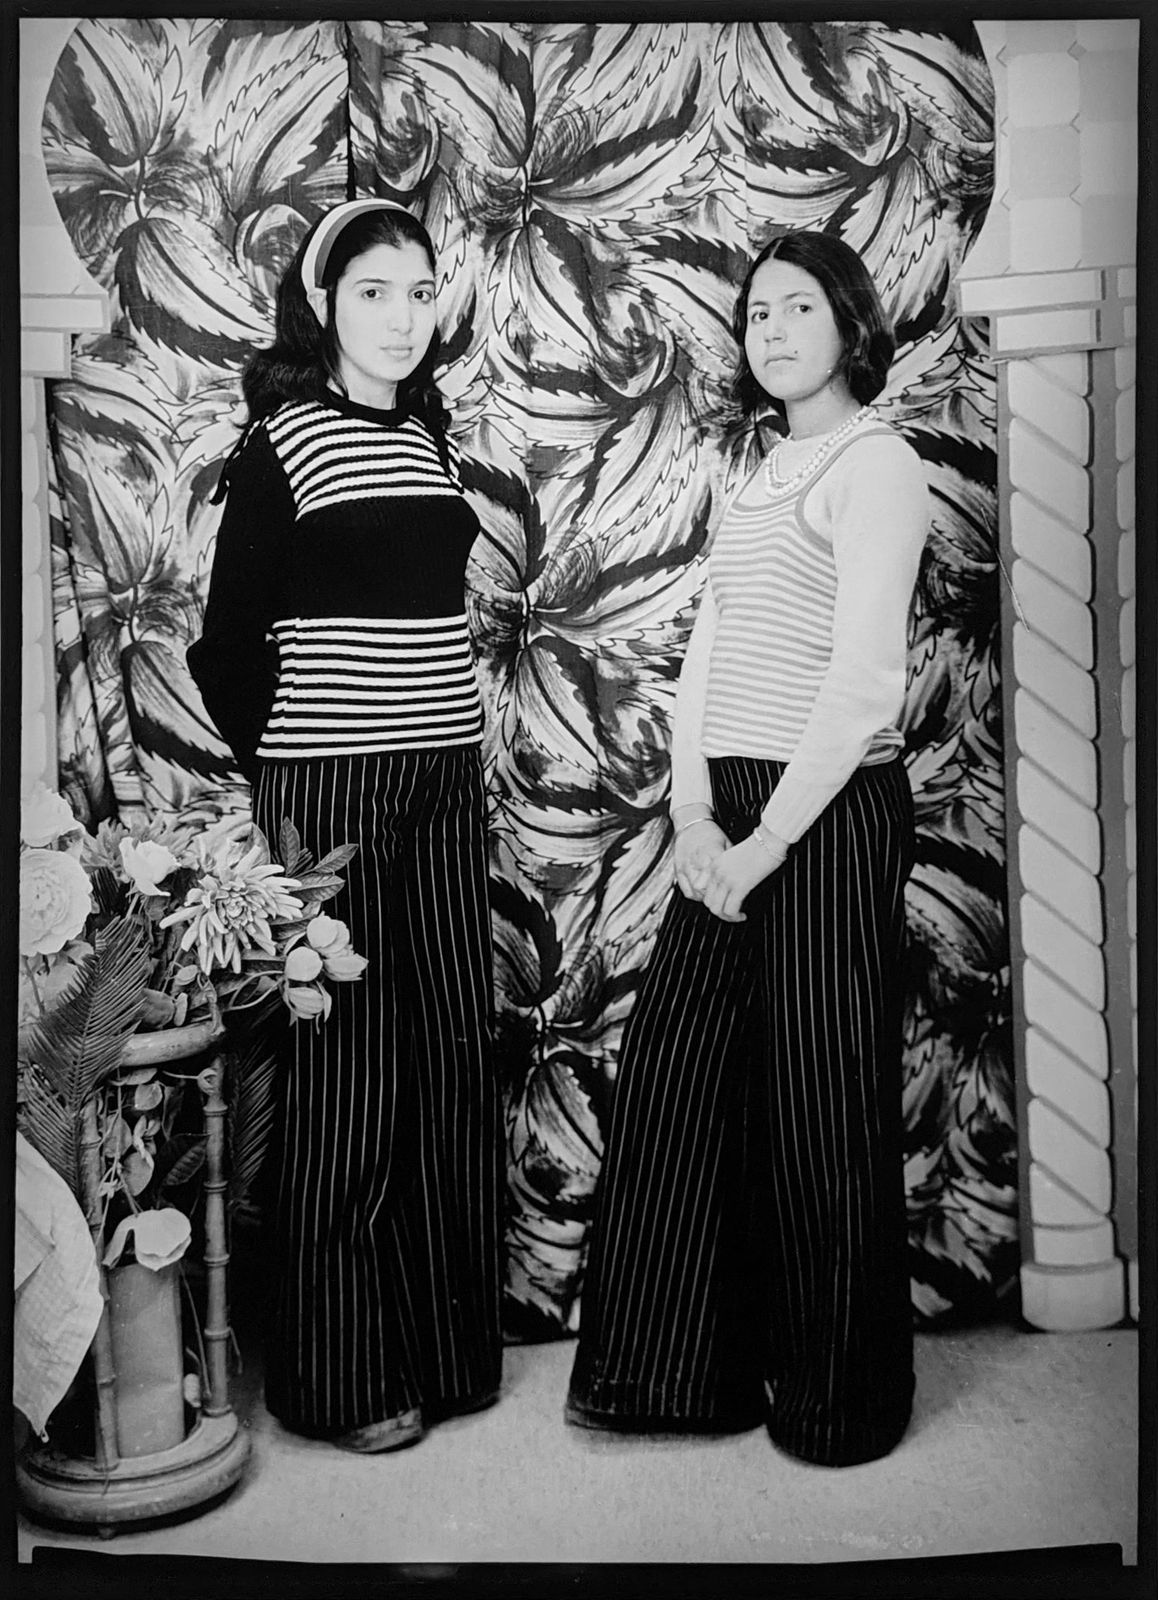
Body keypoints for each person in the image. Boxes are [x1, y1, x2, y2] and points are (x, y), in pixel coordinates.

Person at [565, 230, 931, 1467]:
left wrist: (766, 841)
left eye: (796, 308)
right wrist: (693, 816)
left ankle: (839, 1401)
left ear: (849, 322)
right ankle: (689, 1374)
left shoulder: (879, 466)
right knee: (681, 1074)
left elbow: (866, 685)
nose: (769, 331)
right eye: (754, 315)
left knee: (822, 1103)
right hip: (732, 810)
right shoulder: (763, 468)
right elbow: (710, 654)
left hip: (827, 814)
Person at [187, 198, 502, 1453]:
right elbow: (224, 645)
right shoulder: (282, 440)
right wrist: (299, 764)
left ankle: (442, 1351)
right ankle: (340, 1376)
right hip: (336, 792)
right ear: (325, 306)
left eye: (420, 291)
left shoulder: (428, 439)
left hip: (445, 777)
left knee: (439, 1057)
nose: (402, 314)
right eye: (374, 289)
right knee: (350, 1072)